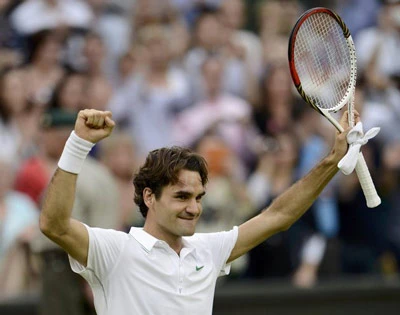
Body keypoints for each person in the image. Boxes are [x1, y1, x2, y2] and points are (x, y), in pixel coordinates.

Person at [40, 108, 352, 314]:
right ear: (150, 197)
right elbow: (54, 225)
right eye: (181, 197)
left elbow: (278, 216)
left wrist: (333, 160)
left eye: (198, 197)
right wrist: (78, 144)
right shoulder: (115, 250)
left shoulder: (208, 250)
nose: (193, 208)